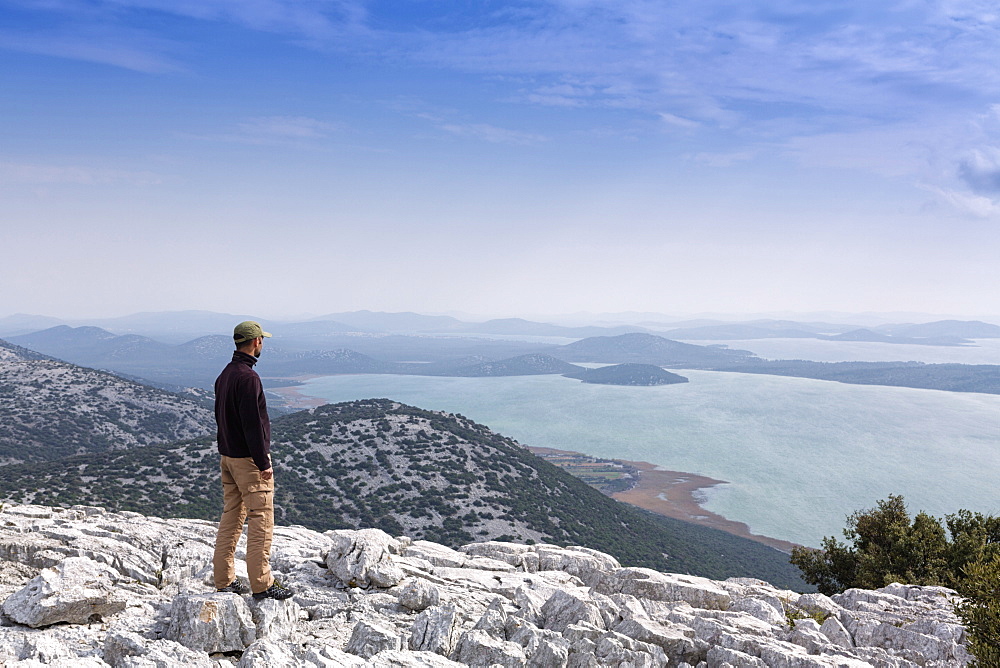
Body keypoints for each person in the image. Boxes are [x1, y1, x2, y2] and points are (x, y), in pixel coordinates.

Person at [212, 320, 293, 600]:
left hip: (228, 457)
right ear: (256, 341)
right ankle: (262, 583)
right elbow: (252, 425)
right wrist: (263, 462)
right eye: (262, 340)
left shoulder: (225, 374)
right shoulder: (248, 378)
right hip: (248, 460)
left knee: (232, 516)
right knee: (261, 518)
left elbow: (221, 419)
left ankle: (224, 579)